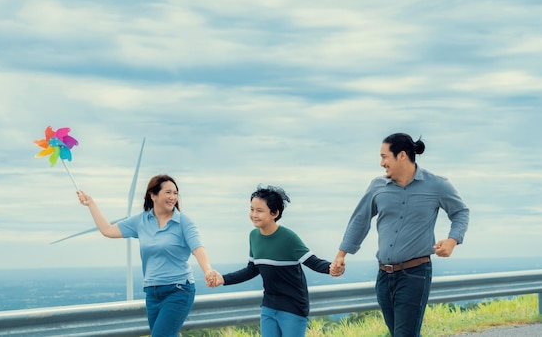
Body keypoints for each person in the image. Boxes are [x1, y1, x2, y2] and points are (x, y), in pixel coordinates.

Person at [330, 133, 470, 337]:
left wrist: (452, 240)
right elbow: (360, 220)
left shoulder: (437, 185)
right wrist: (341, 255)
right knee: (400, 333)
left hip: (415, 274)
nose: (381, 163)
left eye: (385, 156)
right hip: (384, 277)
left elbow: (461, 212)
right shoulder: (377, 186)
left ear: (401, 155)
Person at [76, 174, 215, 337]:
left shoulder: (183, 221)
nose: (173, 197)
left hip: (178, 290)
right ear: (153, 195)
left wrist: (208, 270)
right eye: (168, 192)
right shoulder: (141, 221)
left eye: (175, 193)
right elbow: (108, 230)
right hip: (152, 293)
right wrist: (91, 204)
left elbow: (198, 248)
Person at [208, 185, 332, 337]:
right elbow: (252, 269)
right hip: (269, 306)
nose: (254, 214)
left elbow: (313, 262)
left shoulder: (288, 237)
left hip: (293, 307)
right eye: (252, 209)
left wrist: (333, 268)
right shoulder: (253, 236)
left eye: (259, 211)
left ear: (274, 213)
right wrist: (223, 279)